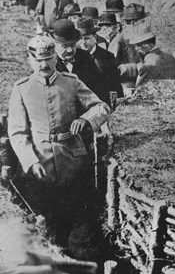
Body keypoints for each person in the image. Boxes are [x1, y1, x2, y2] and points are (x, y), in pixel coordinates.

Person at [8, 36, 109, 259]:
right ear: (30, 61)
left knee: (79, 218)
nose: (44, 65)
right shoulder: (22, 89)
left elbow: (101, 107)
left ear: (56, 58)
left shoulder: (71, 82)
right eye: (38, 60)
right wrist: (30, 161)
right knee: (46, 220)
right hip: (39, 164)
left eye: (48, 59)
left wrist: (86, 120)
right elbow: (17, 132)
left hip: (73, 162)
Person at [50, 19, 107, 102]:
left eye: (72, 45)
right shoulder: (49, 63)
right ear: (54, 44)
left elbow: (98, 87)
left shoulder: (85, 57)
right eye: (65, 46)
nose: (70, 50)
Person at [121, 25, 175, 89]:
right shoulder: (170, 57)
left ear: (149, 45)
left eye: (139, 45)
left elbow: (139, 91)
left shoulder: (147, 67)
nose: (136, 48)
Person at [77, 17, 123, 100]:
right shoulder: (76, 57)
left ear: (94, 37)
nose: (83, 42)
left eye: (86, 38)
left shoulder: (107, 57)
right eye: (80, 39)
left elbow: (116, 85)